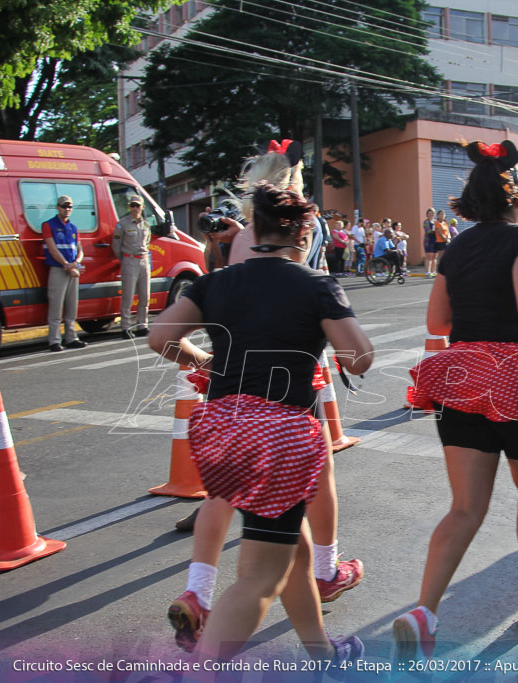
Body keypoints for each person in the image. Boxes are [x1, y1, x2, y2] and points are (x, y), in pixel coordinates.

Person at [149, 183, 373, 664]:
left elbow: (160, 338)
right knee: (259, 577)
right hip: (278, 436)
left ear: (254, 227)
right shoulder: (314, 284)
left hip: (222, 431)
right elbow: (359, 358)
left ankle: (322, 655)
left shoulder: (216, 283)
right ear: (305, 231)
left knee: (292, 553)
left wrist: (201, 361)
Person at [395, 140, 518, 661]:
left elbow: (437, 323)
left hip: (461, 376)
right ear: (515, 194)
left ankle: (424, 612)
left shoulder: (456, 248)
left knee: (464, 506)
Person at [43, 195, 87, 352]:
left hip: (72, 270)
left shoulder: (73, 228)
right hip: (59, 269)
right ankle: (54, 340)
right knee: (56, 306)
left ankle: (71, 337)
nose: (67, 209)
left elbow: (80, 249)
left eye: (70, 206)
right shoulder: (48, 225)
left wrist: (76, 262)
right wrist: (68, 266)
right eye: (64, 206)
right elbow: (53, 249)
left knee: (71, 306)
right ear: (57, 207)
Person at [111, 194, 152, 339]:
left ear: (142, 207)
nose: (135, 208)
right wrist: (125, 259)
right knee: (128, 296)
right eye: (132, 205)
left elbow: (147, 242)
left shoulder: (146, 224)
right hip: (130, 261)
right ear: (129, 207)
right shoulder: (122, 224)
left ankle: (142, 325)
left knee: (144, 296)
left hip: (144, 261)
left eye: (137, 205)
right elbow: (116, 246)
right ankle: (126, 327)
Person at [423, 208, 437, 277]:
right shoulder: (426, 222)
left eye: (432, 213)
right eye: (429, 213)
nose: (431, 214)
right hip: (428, 241)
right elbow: (427, 231)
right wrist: (435, 230)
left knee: (434, 257)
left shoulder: (435, 221)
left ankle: (433, 271)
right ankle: (428, 272)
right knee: (429, 257)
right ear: (427, 214)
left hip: (436, 241)